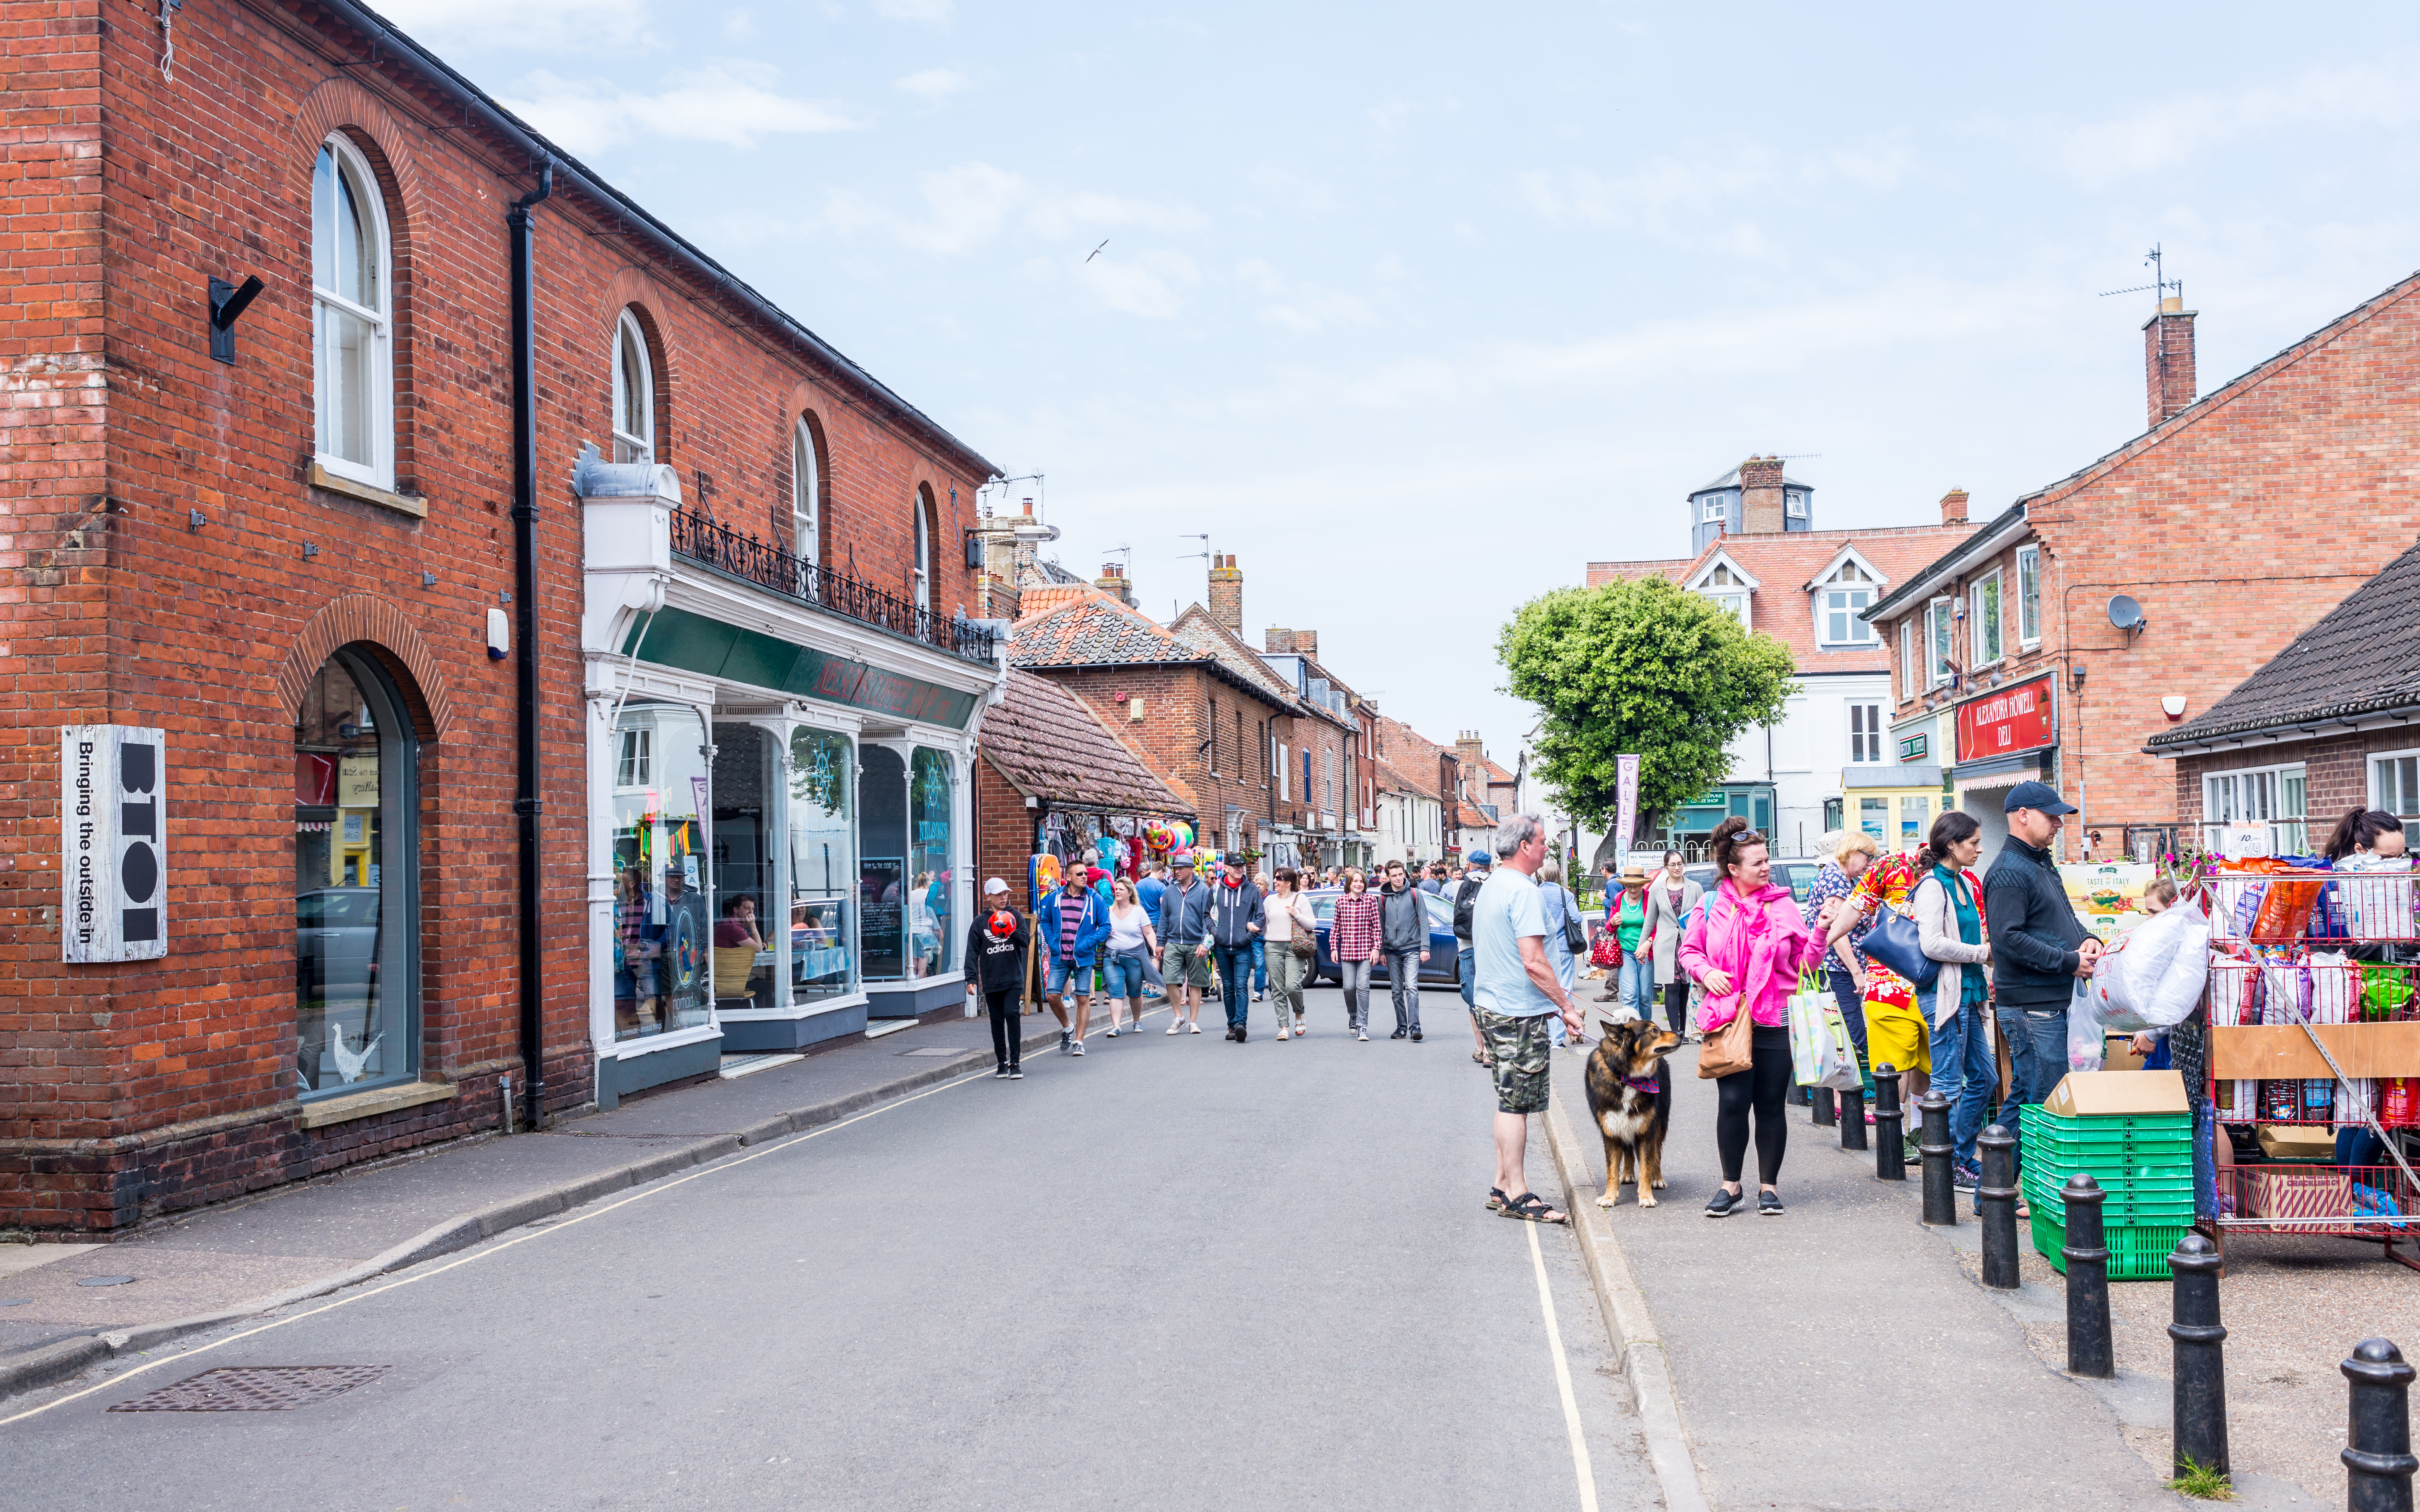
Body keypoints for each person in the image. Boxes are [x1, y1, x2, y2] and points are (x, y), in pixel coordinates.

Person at [1681, 817, 1826, 1217]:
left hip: (1774, 1017)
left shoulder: (1782, 905)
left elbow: (1803, 964)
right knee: (1731, 1101)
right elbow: (1689, 951)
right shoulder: (1710, 905)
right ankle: (1731, 1186)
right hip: (1729, 1018)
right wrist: (1706, 971)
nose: (1766, 868)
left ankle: (1769, 1187)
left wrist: (1819, 934)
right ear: (1733, 869)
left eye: (1767, 860)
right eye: (1757, 863)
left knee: (1769, 1104)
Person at [1983, 781, 2099, 1198]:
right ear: (2023, 816)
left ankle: (1996, 1189)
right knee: (2040, 1100)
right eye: (2050, 816)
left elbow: (2061, 919)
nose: (2057, 824)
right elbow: (2008, 939)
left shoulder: (2038, 863)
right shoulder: (2010, 871)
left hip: (2046, 1002)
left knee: (2031, 1096)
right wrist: (2069, 960)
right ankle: (2009, 1191)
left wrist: (2088, 938)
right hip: (2033, 1006)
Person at [1472, 814, 1588, 1224]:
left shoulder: (1492, 885)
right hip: (1518, 1011)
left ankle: (1501, 1183)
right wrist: (1567, 1007)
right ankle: (1518, 1193)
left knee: (1509, 1098)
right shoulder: (1524, 891)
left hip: (1494, 1005)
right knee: (1516, 1104)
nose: (1546, 848)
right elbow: (1535, 963)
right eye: (1542, 841)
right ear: (1524, 845)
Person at [1908, 812, 1994, 1187]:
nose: (1978, 848)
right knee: (1947, 1082)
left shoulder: (1961, 882)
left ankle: (1958, 1155)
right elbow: (1931, 944)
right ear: (1951, 846)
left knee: (1985, 1078)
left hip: (1968, 992)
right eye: (1972, 843)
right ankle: (1942, 1165)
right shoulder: (1933, 887)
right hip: (1944, 994)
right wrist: (1981, 953)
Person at [1801, 831, 1880, 1106]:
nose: (1871, 862)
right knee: (1850, 1032)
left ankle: (1843, 1099)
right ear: (1852, 852)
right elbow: (1839, 932)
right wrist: (1857, 972)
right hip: (1837, 969)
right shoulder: (1835, 878)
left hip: (1843, 969)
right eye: (1868, 856)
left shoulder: (1847, 878)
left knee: (1844, 1032)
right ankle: (1848, 1101)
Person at [965, 878, 1029, 1079]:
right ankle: (1001, 1063)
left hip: (1013, 977)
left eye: (1006, 894)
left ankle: (1016, 1063)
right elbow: (972, 952)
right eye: (1000, 894)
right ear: (988, 897)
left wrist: (1011, 930)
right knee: (996, 1021)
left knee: (1012, 1014)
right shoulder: (980, 922)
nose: (1004, 897)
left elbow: (1026, 941)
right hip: (992, 979)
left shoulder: (1015, 916)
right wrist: (971, 978)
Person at [1044, 866, 1112, 1056]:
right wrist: (1052, 942)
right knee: (1052, 996)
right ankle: (1067, 1027)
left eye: (1086, 874)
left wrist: (1087, 944)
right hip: (1060, 956)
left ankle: (1079, 1041)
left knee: (1083, 998)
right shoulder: (1055, 898)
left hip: (1083, 958)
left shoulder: (1094, 899)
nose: (1084, 877)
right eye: (1080, 874)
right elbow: (1046, 921)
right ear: (1068, 877)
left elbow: (1106, 927)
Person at [1642, 850, 1703, 1040]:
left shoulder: (1695, 887)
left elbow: (1703, 918)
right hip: (1666, 945)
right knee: (1672, 986)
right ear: (1666, 867)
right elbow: (1650, 920)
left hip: (1689, 943)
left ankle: (1685, 1030)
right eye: (1673, 865)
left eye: (1680, 864)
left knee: (1686, 987)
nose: (1677, 868)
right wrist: (1642, 944)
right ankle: (1676, 1031)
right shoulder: (1656, 889)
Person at [1210, 854, 1266, 1042]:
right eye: (1235, 866)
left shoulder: (1252, 890)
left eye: (1241, 866)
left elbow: (1260, 918)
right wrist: (1215, 933)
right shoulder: (1216, 890)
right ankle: (1232, 1026)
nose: (1239, 869)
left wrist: (1248, 936)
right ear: (1226, 868)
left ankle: (1241, 1024)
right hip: (1222, 947)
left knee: (1241, 986)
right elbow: (1206, 915)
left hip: (1243, 947)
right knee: (1228, 987)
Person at [1157, 856, 1212, 1034]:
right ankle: (1179, 1017)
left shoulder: (1204, 890)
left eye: (1180, 868)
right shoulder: (1170, 891)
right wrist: (1160, 942)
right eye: (1175, 868)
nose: (1177, 871)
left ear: (1191, 869)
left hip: (1196, 942)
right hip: (1173, 941)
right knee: (1169, 979)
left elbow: (1208, 918)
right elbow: (1164, 918)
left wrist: (1205, 943)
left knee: (1196, 983)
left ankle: (1193, 1021)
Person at [1101, 877, 1161, 1038]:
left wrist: (1156, 949)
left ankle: (1137, 1020)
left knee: (1135, 992)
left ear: (1129, 893)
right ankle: (1117, 1027)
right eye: (1116, 889)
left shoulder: (1139, 911)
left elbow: (1149, 933)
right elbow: (1099, 932)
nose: (1117, 892)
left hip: (1135, 958)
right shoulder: (1108, 911)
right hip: (1112, 958)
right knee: (1115, 991)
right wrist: (1105, 932)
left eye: (1121, 889)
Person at [1538, 862, 1589, 1049]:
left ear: (1542, 876)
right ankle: (1557, 1040)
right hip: (1563, 947)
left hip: (1541, 948)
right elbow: (1576, 918)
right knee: (1565, 990)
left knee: (1544, 989)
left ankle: (1545, 1034)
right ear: (1559, 877)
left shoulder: (1536, 893)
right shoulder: (1565, 894)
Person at [1379, 859, 1430, 1041]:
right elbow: (1381, 925)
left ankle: (1415, 1027)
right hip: (1392, 950)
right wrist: (1383, 951)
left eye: (1401, 874)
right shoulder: (1383, 898)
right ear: (1388, 877)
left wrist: (1425, 947)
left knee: (1412, 987)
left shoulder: (1415, 894)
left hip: (1412, 948)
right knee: (1396, 991)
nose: (1399, 878)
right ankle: (1401, 1026)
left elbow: (1424, 922)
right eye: (1394, 875)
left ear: (1404, 873)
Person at [1264, 867, 1316, 1039]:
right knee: (1278, 989)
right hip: (1273, 947)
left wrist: (1297, 915)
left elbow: (1312, 925)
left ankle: (1299, 1014)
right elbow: (1263, 924)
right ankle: (1284, 1027)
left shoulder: (1300, 899)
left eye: (1279, 878)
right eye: (1275, 878)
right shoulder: (1270, 901)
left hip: (1294, 947)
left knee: (1293, 986)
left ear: (1288, 882)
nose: (1275, 882)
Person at [1331, 867, 1381, 1040]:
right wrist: (1333, 948)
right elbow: (1335, 928)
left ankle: (1362, 1026)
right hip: (1347, 952)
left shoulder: (1370, 901)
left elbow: (1377, 927)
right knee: (1349, 988)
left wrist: (1376, 948)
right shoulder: (1341, 901)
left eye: (1361, 881)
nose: (1359, 884)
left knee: (1363, 987)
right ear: (1349, 883)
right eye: (1355, 881)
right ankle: (1353, 1014)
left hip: (1366, 952)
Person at [1454, 850, 1492, 1061]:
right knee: (1490, 998)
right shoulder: (1495, 884)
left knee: (1473, 1001)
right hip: (1489, 947)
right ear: (1488, 867)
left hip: (1466, 946)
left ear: (1469, 865)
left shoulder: (1458, 884)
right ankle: (1489, 1050)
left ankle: (1481, 1048)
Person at [1607, 863, 1654, 1023]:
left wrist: (1649, 942)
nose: (1633, 890)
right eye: (1629, 886)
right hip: (1625, 951)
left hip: (1645, 952)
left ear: (1642, 884)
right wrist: (1613, 922)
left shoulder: (1650, 898)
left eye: (1636, 886)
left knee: (1645, 997)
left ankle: (1646, 1030)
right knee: (1630, 994)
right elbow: (1610, 926)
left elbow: (1657, 926)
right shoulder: (1619, 898)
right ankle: (1631, 1032)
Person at [2327, 807, 2409, 865]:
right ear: (2359, 850)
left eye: (2400, 857)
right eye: (2386, 858)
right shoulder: (2334, 884)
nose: (2397, 864)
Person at [1251, 871, 1273, 1003]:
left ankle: (1273, 990)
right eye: (1256, 883)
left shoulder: (1273, 897)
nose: (1258, 886)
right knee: (1260, 964)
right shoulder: (1252, 897)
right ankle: (1258, 992)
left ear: (1267, 885)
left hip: (1272, 935)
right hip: (1257, 936)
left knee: (1272, 965)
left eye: (1261, 884)